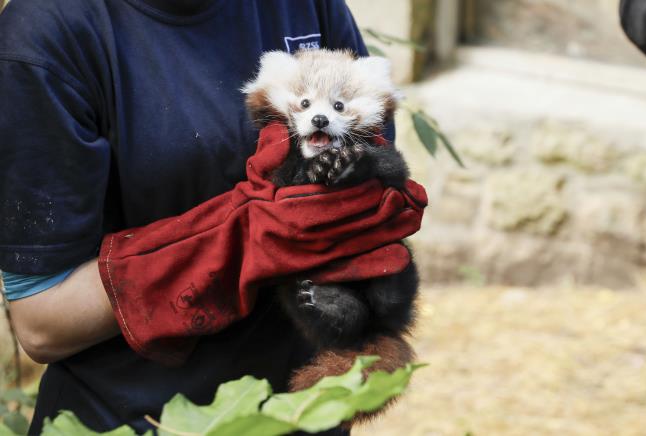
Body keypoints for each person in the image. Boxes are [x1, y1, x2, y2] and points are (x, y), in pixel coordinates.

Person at [0, 1, 422, 434]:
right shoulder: (47, 33)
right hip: (137, 419)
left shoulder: (308, 7)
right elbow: (41, 324)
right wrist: (238, 244)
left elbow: (375, 170)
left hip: (302, 410)